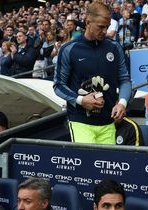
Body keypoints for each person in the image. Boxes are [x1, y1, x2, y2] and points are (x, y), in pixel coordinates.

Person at [53, 1, 132, 144]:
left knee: (106, 165)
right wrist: (81, 100)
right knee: (87, 164)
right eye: (101, 27)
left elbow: (125, 80)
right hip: (80, 121)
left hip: (108, 122)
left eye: (107, 27)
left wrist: (122, 103)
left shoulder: (115, 47)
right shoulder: (69, 49)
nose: (104, 31)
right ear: (88, 22)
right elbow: (58, 85)